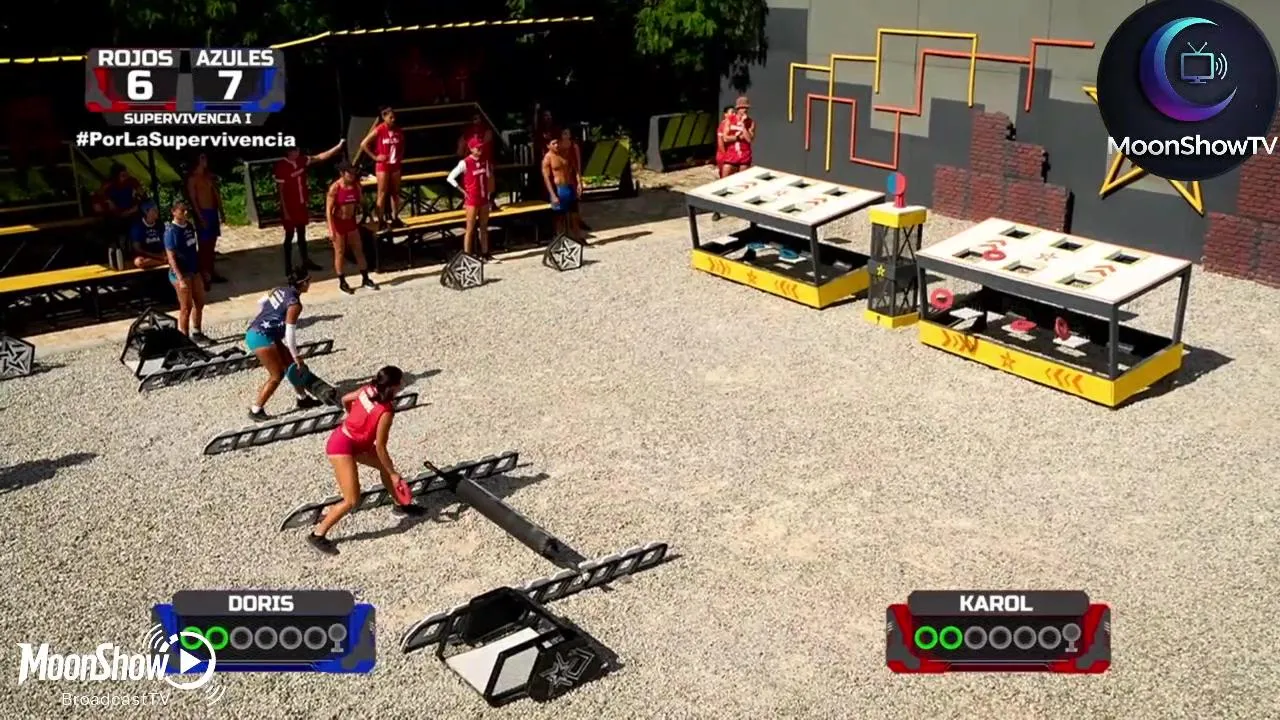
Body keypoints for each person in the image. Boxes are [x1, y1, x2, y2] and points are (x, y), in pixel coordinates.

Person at [308, 365, 426, 555]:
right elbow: (380, 447)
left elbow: (345, 399)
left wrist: (352, 418)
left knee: (385, 467)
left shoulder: (367, 390)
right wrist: (394, 475)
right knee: (351, 499)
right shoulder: (386, 412)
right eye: (400, 383)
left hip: (352, 440)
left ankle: (400, 505)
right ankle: (317, 534)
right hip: (341, 447)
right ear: (394, 386)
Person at [244, 270, 324, 422]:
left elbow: (261, 302)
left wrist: (267, 318)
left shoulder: (279, 290)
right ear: (303, 283)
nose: (310, 283)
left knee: (290, 365)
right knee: (277, 375)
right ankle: (256, 410)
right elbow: (289, 333)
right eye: (309, 280)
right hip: (262, 337)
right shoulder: (295, 305)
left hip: (257, 331)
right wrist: (297, 356)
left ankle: (302, 398)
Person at [274, 140, 344, 276]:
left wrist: (337, 147)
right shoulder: (281, 166)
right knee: (289, 236)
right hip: (289, 205)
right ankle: (288, 266)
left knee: (302, 233)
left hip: (301, 204)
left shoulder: (301, 160)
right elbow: (281, 191)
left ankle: (305, 260)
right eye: (293, 150)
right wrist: (285, 211)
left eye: (297, 150)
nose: (296, 152)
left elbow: (319, 157)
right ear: (288, 152)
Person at [327, 162, 378, 294]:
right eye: (349, 173)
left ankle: (365, 278)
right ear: (342, 173)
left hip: (351, 222)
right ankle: (342, 281)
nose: (352, 175)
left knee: (358, 250)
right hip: (338, 223)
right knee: (340, 252)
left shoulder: (356, 186)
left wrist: (371, 218)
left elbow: (362, 202)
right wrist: (330, 229)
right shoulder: (335, 188)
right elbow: (328, 210)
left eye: (353, 172)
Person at [162, 201, 209, 343]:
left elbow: (194, 249)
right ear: (174, 212)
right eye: (182, 210)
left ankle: (197, 332)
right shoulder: (171, 232)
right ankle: (184, 338)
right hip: (181, 273)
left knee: (199, 302)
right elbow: (171, 258)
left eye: (186, 210)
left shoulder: (189, 226)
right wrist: (180, 279)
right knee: (186, 307)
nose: (186, 213)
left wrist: (202, 270)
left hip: (193, 270)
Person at [446, 138, 497, 261]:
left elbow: (488, 177)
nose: (480, 149)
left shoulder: (485, 161)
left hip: (483, 197)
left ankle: (485, 253)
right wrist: (462, 191)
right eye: (477, 147)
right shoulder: (465, 162)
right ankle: (467, 255)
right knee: (470, 228)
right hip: (472, 199)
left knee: (484, 227)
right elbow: (450, 177)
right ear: (471, 148)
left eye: (481, 147)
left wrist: (489, 195)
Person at [358, 107, 405, 230]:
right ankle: (380, 220)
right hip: (383, 165)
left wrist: (399, 157)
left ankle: (395, 217)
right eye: (390, 117)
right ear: (384, 117)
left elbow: (402, 145)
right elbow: (363, 144)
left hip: (395, 164)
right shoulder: (379, 129)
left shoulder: (398, 131)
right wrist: (375, 157)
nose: (393, 120)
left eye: (394, 117)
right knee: (382, 193)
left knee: (395, 192)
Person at [187, 154, 226, 285]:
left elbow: (216, 193)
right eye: (202, 158)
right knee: (204, 245)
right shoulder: (192, 179)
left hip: (212, 211)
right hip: (203, 212)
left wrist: (221, 211)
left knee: (212, 244)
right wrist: (200, 217)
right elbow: (193, 199)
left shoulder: (208, 176)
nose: (205, 160)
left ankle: (211, 270)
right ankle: (203, 273)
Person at [542, 133, 583, 242]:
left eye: (557, 143)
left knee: (574, 214)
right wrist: (553, 194)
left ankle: (578, 238)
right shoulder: (547, 158)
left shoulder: (565, 154)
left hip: (569, 187)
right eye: (553, 143)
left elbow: (575, 168)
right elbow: (546, 178)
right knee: (559, 217)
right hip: (558, 189)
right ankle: (560, 239)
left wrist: (579, 182)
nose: (556, 145)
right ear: (548, 145)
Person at [128, 201, 167, 269]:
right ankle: (163, 261)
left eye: (157, 209)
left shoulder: (160, 224)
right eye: (154, 210)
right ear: (146, 212)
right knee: (139, 262)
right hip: (146, 255)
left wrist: (164, 254)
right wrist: (156, 256)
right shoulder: (137, 226)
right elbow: (137, 248)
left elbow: (165, 242)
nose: (157, 211)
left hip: (160, 253)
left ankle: (164, 260)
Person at [723, 96, 755, 174]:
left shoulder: (751, 122)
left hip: (744, 155)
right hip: (731, 155)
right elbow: (725, 138)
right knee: (725, 176)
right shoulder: (730, 119)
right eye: (743, 108)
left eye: (746, 108)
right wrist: (738, 138)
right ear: (738, 109)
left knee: (742, 179)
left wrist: (743, 125)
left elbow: (749, 139)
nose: (745, 110)